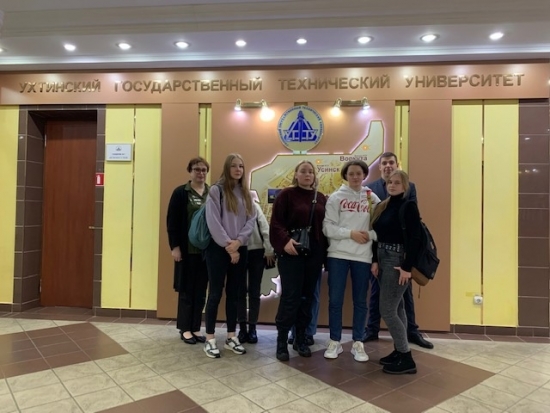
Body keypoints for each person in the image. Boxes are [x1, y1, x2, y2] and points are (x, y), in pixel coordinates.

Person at [363, 152, 433, 350]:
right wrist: (374, 258)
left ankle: (410, 334)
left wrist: (407, 264)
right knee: (378, 294)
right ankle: (372, 329)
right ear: (380, 167)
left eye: (391, 162)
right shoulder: (371, 189)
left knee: (403, 298)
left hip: (399, 256)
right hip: (380, 254)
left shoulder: (409, 193)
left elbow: (414, 228)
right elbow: (373, 226)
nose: (387, 166)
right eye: (384, 163)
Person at [323, 160, 380, 361]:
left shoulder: (372, 198)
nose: (355, 177)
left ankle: (358, 342)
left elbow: (381, 228)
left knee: (360, 301)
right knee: (335, 301)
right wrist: (350, 234)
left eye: (359, 173)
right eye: (351, 173)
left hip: (363, 256)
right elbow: (327, 227)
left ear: (364, 175)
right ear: (345, 176)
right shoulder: (336, 198)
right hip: (338, 255)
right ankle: (335, 341)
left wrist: (369, 235)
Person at [270, 160, 327, 361]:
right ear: (296, 174)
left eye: (310, 171)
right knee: (290, 298)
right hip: (291, 254)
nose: (307, 174)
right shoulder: (286, 195)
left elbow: (324, 228)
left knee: (307, 298)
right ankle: (281, 341)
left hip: (314, 255)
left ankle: (300, 338)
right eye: (303, 171)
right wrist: (285, 242)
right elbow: (276, 223)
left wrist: (324, 256)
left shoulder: (320, 197)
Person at [203, 153, 256, 358]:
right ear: (227, 168)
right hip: (219, 249)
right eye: (234, 166)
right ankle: (210, 339)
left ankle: (231, 337)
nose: (238, 169)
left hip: (239, 248)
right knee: (215, 294)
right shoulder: (216, 191)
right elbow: (213, 221)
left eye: (241, 166)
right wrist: (229, 246)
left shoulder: (246, 193)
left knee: (235, 294)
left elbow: (251, 221)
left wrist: (238, 243)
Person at [370, 170, 421, 374]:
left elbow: (416, 238)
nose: (392, 185)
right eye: (390, 182)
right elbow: (376, 235)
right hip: (382, 258)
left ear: (405, 186)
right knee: (398, 308)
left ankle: (406, 357)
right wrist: (375, 260)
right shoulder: (383, 206)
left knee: (388, 310)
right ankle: (400, 350)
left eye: (397, 182)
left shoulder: (408, 206)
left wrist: (407, 267)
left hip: (397, 260)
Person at [166, 157, 210, 345]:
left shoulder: (211, 192)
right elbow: (172, 221)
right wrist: (175, 247)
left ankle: (195, 327)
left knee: (200, 291)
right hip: (186, 250)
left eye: (204, 170)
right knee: (186, 290)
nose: (200, 173)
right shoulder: (180, 193)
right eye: (197, 169)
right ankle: (185, 329)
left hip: (206, 251)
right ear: (190, 171)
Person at [237, 199, 275, 344]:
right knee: (240, 291)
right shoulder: (229, 205)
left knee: (254, 291)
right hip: (237, 251)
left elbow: (265, 228)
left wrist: (269, 250)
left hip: (256, 252)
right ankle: (242, 327)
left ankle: (252, 328)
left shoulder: (253, 205)